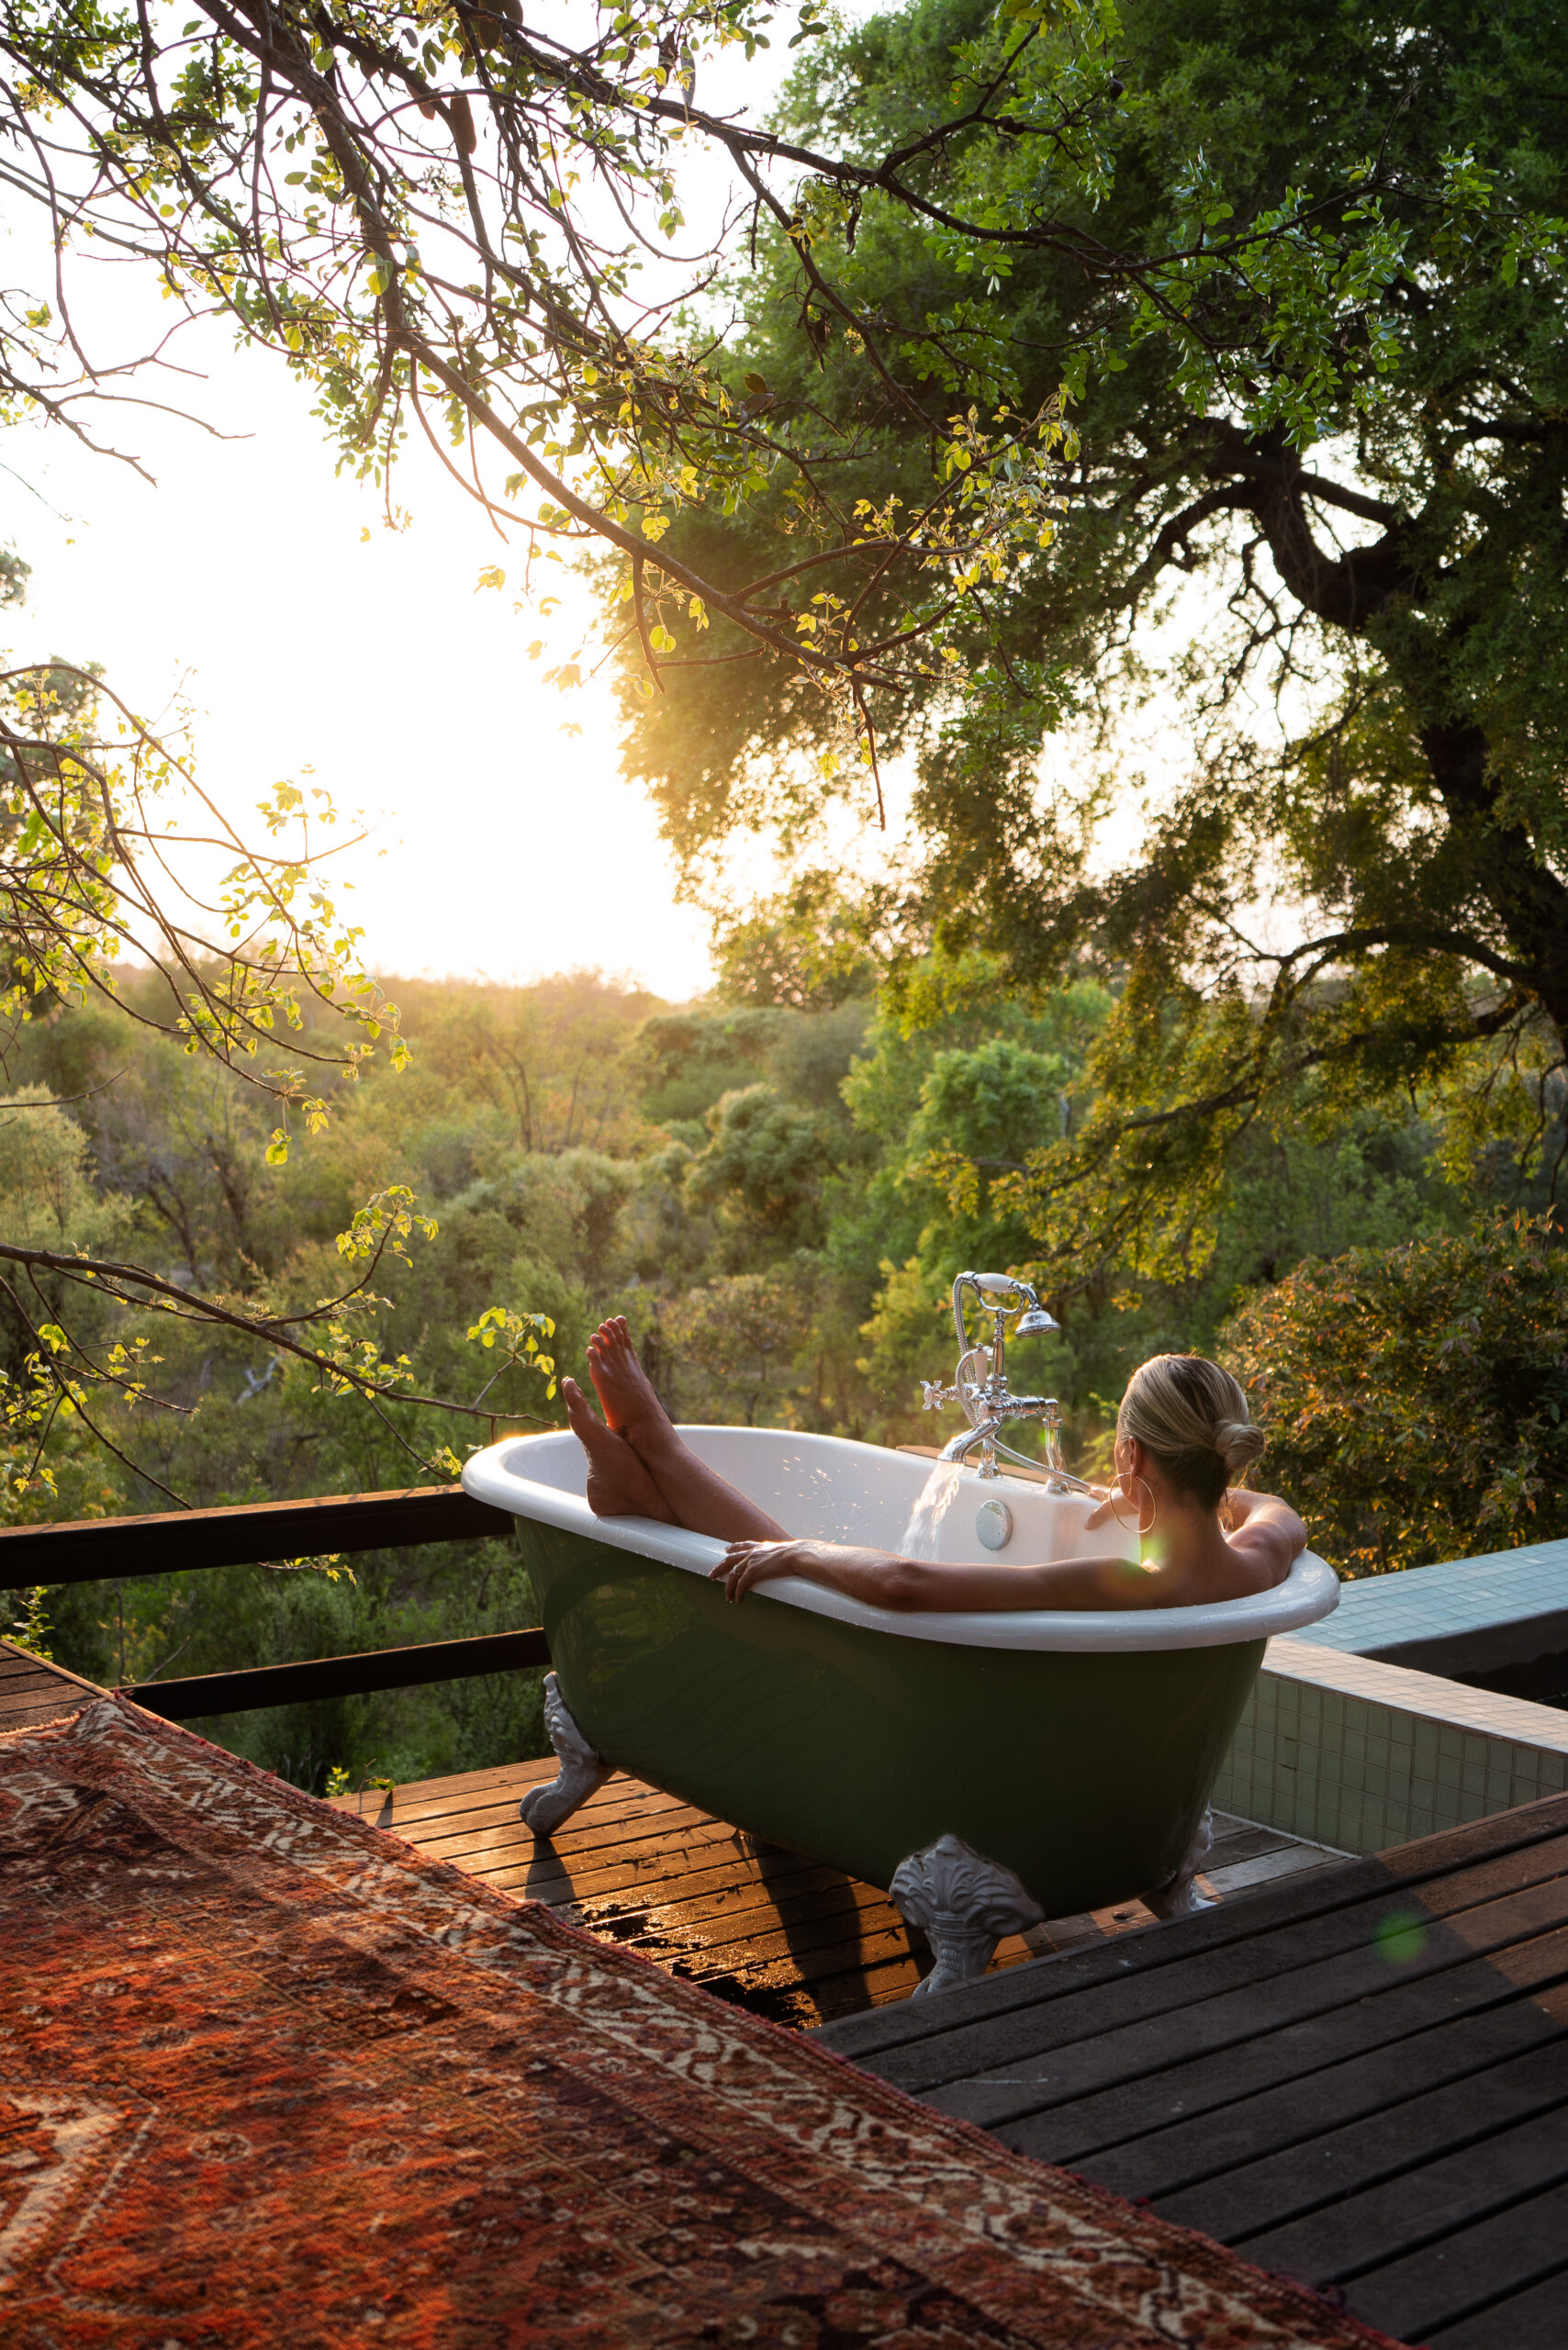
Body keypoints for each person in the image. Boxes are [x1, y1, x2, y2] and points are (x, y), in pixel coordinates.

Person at [563, 1317, 1306, 1614]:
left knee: (783, 1553)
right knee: (785, 1554)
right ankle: (647, 1488)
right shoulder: (1262, 1558)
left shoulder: (1131, 1583)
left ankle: (657, 1451)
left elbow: (903, 1581)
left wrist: (805, 1550)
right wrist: (1136, 1495)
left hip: (982, 1751)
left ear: (1131, 1452)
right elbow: (1269, 1508)